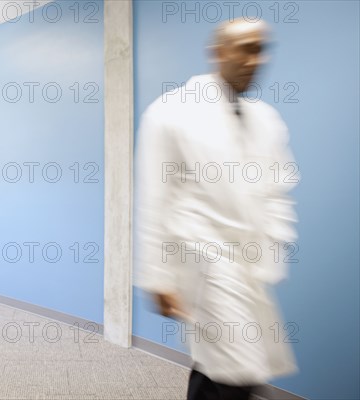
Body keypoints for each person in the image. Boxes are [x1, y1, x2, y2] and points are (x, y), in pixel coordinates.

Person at [134, 18, 299, 400]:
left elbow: (279, 188)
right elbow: (153, 197)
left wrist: (274, 243)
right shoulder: (171, 112)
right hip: (202, 258)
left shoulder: (267, 120)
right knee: (238, 366)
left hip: (247, 260)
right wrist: (156, 276)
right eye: (244, 48)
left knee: (222, 364)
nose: (254, 59)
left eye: (260, 49)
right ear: (218, 52)